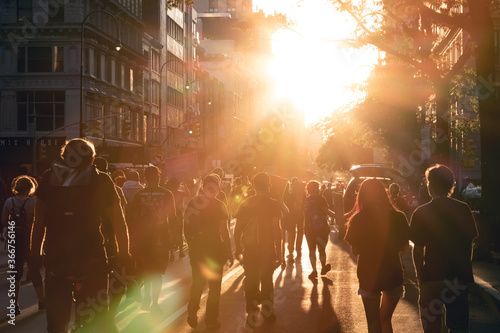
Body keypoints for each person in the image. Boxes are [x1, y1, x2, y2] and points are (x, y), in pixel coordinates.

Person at [30, 138, 130, 332]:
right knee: (100, 320)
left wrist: (34, 255)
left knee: (56, 324)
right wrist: (123, 254)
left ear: (64, 158)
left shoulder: (49, 178)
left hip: (57, 259)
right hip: (92, 258)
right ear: (92, 160)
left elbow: (38, 221)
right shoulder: (102, 179)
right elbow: (119, 222)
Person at [409, 164, 478, 333]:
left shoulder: (421, 212)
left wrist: (420, 277)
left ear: (430, 185)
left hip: (431, 278)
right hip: (457, 279)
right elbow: (470, 245)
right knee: (458, 327)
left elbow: (417, 250)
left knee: (431, 328)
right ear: (451, 185)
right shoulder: (463, 209)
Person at [344, 179, 410, 333]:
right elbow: (406, 249)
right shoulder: (398, 217)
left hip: (368, 276)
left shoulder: (358, 219)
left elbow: (355, 250)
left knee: (373, 323)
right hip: (393, 274)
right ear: (384, 194)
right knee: (385, 320)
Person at [184, 174, 233, 329]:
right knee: (214, 287)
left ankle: (192, 307)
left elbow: (186, 227)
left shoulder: (193, 203)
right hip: (215, 250)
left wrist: (191, 244)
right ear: (217, 188)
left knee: (197, 282)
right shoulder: (219, 205)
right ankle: (211, 319)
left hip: (197, 248)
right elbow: (224, 231)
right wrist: (229, 252)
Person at [234, 172, 283, 327]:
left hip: (250, 249)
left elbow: (237, 229)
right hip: (267, 249)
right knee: (267, 280)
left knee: (251, 279)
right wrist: (280, 253)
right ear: (268, 185)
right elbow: (277, 229)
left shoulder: (245, 203)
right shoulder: (273, 203)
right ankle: (268, 313)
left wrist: (237, 249)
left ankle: (251, 308)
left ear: (253, 186)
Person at [128, 166, 176, 313]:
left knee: (147, 270)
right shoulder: (167, 194)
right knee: (157, 272)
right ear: (159, 177)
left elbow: (132, 219)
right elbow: (173, 218)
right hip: (161, 238)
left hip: (144, 238)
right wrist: (174, 240)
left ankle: (147, 297)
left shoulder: (139, 194)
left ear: (145, 178)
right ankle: (154, 302)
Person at [2, 175, 45, 315]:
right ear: (30, 188)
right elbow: (40, 221)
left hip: (15, 240)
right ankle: (41, 301)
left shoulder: (9, 202)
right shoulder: (34, 202)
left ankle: (14, 305)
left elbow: (4, 221)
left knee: (15, 272)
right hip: (30, 240)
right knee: (34, 270)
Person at [303, 181, 335, 279]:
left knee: (311, 250)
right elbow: (326, 211)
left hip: (309, 229)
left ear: (308, 189)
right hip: (321, 229)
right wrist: (337, 216)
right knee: (321, 249)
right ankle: (323, 267)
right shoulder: (321, 199)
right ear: (318, 189)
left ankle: (314, 270)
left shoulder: (306, 200)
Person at [282, 177, 306, 264]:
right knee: (300, 232)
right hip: (300, 215)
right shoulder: (302, 192)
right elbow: (304, 203)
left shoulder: (289, 192)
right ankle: (298, 249)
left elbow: (286, 203)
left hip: (291, 215)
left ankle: (291, 251)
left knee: (291, 232)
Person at [165, 178, 190, 260]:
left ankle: (171, 253)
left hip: (170, 215)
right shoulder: (179, 193)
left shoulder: (167, 193)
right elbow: (188, 193)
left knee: (170, 234)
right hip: (178, 215)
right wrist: (185, 183)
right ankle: (181, 252)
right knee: (179, 233)